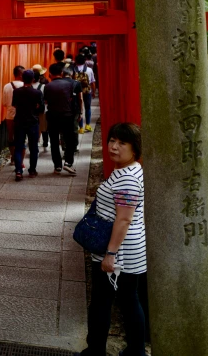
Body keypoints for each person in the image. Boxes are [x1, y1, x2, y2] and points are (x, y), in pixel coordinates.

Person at [76, 123, 146, 356]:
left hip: (120, 250)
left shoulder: (127, 179)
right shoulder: (131, 170)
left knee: (104, 302)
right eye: (112, 141)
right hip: (126, 247)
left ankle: (98, 351)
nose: (114, 147)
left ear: (134, 149)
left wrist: (111, 254)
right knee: (126, 299)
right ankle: (133, 351)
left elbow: (123, 219)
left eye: (122, 143)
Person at [44, 63, 78, 175]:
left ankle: (57, 165)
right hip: (67, 115)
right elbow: (73, 100)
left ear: (50, 74)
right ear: (62, 73)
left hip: (53, 116)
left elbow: (46, 101)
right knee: (69, 140)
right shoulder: (69, 85)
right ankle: (68, 162)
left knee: (54, 141)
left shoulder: (47, 86)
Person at [11, 69, 43, 181]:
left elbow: (14, 105)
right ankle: (32, 170)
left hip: (19, 121)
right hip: (33, 122)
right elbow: (42, 109)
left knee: (19, 147)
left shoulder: (16, 92)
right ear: (33, 79)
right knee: (33, 147)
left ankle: (18, 171)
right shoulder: (37, 93)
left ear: (22, 78)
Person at [2, 65, 25, 165]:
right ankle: (20, 159)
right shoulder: (24, 85)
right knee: (21, 137)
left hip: (9, 115)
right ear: (20, 74)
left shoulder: (7, 86)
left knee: (11, 137)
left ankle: (13, 157)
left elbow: (4, 103)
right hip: (22, 115)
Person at [73, 54, 96, 134]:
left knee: (79, 109)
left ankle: (81, 127)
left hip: (76, 92)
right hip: (87, 91)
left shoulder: (73, 70)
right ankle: (88, 125)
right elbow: (92, 82)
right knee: (87, 108)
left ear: (76, 61)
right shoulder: (89, 70)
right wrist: (94, 92)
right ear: (84, 61)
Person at [31, 64, 50, 149]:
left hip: (31, 110)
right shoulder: (44, 86)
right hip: (42, 109)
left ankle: (35, 141)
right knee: (44, 127)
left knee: (33, 126)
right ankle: (45, 142)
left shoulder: (28, 86)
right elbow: (47, 98)